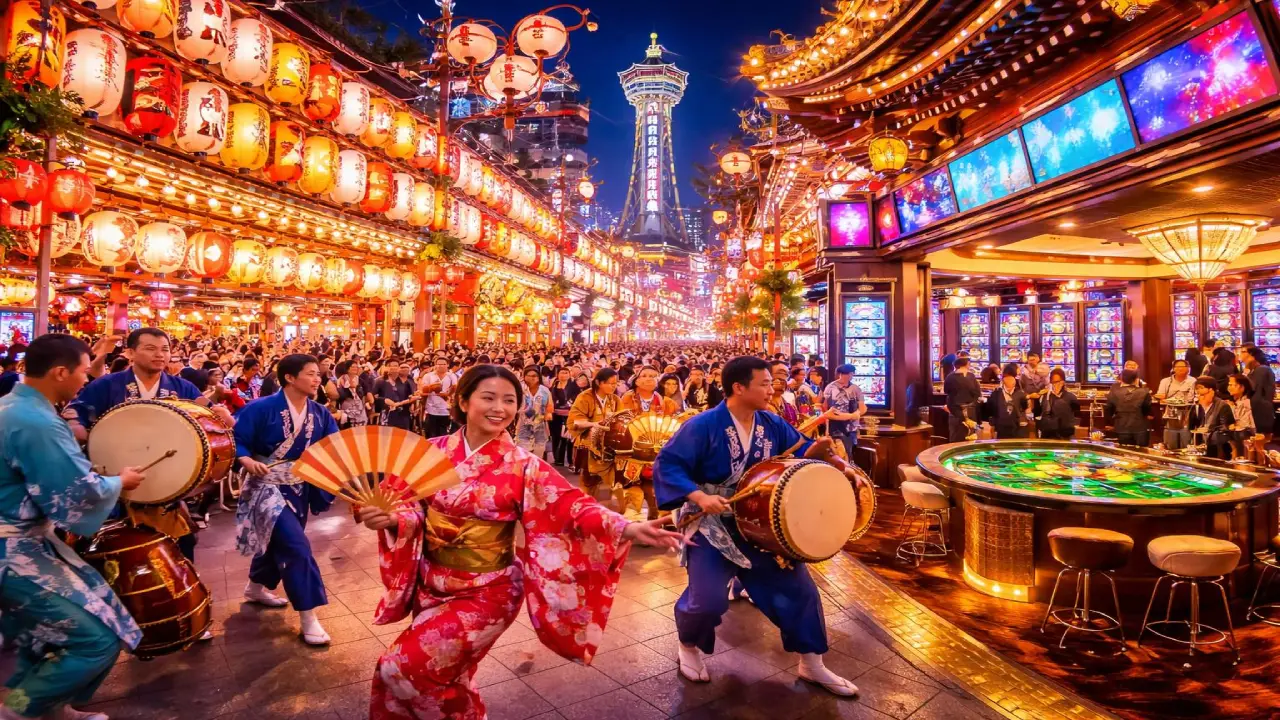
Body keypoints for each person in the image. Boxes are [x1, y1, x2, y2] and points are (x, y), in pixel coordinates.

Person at [355, 364, 682, 719]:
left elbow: (569, 505)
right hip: (432, 583)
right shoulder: (431, 451)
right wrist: (391, 518)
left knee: (399, 667)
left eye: (509, 400)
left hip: (488, 591)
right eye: (489, 398)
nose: (500, 408)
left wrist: (626, 527)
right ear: (463, 401)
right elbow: (407, 505)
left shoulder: (523, 464)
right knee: (450, 672)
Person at [653, 356, 860, 696]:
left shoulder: (770, 423)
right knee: (705, 601)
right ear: (739, 387)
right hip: (712, 526)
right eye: (763, 383)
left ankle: (812, 663)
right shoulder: (702, 425)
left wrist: (833, 459)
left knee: (799, 591)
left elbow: (802, 447)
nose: (771, 388)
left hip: (760, 524)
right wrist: (699, 496)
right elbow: (669, 465)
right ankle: (688, 646)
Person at [0, 334, 147, 720]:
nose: (87, 379)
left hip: (25, 542)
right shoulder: (35, 422)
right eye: (84, 371)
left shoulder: (14, 407)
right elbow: (75, 491)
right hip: (13, 552)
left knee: (43, 639)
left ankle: (50, 708)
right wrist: (119, 481)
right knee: (95, 638)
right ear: (60, 372)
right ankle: (18, 711)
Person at [65, 328, 232, 564]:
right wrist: (75, 426)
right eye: (150, 349)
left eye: (165, 350)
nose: (160, 355)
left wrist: (219, 414)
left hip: (166, 482)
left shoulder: (181, 387)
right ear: (131, 352)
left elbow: (206, 413)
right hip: (118, 482)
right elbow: (75, 412)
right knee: (120, 553)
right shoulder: (107, 385)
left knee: (180, 550)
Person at [233, 354, 339, 646]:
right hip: (265, 487)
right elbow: (237, 438)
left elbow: (333, 445)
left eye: (318, 374)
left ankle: (255, 587)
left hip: (299, 488)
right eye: (311, 374)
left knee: (277, 541)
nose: (318, 379)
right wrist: (244, 458)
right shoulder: (260, 408)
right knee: (296, 547)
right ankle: (309, 616)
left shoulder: (320, 413)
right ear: (290, 378)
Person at [619, 366, 681, 519]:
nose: (649, 378)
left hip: (656, 452)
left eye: (653, 376)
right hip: (631, 452)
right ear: (637, 380)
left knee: (654, 489)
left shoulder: (666, 402)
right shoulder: (626, 398)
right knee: (631, 487)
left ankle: (654, 519)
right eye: (645, 375)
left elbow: (672, 425)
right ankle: (630, 522)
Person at [567, 368, 623, 503]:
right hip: (588, 445)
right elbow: (575, 421)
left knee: (608, 482)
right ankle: (587, 510)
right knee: (589, 481)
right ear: (598, 382)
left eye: (615, 383)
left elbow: (622, 419)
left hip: (609, 448)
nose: (613, 386)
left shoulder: (615, 399)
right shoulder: (585, 397)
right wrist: (594, 424)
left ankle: (603, 510)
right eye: (610, 383)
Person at [822, 364, 867, 458]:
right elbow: (825, 407)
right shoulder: (830, 387)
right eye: (850, 374)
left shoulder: (856, 388)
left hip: (852, 427)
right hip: (835, 426)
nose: (851, 376)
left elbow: (862, 407)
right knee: (839, 452)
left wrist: (856, 414)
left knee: (850, 452)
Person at [1154, 359, 1197, 449]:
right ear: (1173, 369)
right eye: (1177, 367)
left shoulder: (1193, 381)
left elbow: (1194, 397)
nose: (1180, 369)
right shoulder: (1165, 381)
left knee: (1186, 444)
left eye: (1183, 367)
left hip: (1187, 415)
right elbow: (1160, 396)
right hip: (1170, 415)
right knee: (1170, 445)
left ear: (1188, 369)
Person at [1106, 369, 1151, 447]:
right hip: (1140, 427)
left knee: (1125, 453)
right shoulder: (1145, 392)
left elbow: (1109, 409)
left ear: (1121, 379)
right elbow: (1146, 409)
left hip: (1121, 426)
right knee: (1142, 454)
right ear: (1136, 379)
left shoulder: (1114, 392)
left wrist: (1109, 423)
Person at [1244, 347, 1276, 458]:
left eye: (1244, 353)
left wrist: (1245, 376)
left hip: (1260, 410)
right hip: (1262, 408)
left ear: (1253, 356)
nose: (1241, 357)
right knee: (1258, 444)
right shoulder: (1261, 369)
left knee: (1260, 444)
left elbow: (1252, 388)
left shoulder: (1261, 369)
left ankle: (1265, 468)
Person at [514, 366, 552, 457]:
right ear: (524, 376)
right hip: (523, 424)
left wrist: (548, 414)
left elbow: (550, 406)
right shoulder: (520, 389)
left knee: (538, 453)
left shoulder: (544, 390)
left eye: (535, 375)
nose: (532, 378)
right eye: (529, 375)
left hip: (540, 424)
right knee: (523, 454)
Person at [1189, 376, 1232, 458]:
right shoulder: (1197, 405)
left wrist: (1209, 429)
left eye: (1201, 388)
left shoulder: (1222, 405)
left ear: (1211, 390)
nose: (1198, 391)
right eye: (1196, 389)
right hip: (1201, 445)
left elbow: (1226, 428)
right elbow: (1192, 425)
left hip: (1218, 446)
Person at [943, 357, 982, 442]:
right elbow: (977, 393)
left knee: (955, 435)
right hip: (969, 410)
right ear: (967, 364)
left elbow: (946, 391)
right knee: (970, 435)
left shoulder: (949, 377)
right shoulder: (971, 376)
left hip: (953, 410)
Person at [1039, 368, 1079, 440]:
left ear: (1063, 382)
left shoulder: (1071, 397)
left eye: (1057, 382)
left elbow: (1076, 416)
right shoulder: (1046, 396)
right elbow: (1040, 414)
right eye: (1053, 382)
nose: (1055, 385)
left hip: (1065, 436)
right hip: (1048, 436)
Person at [548, 366, 577, 466]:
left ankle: (571, 461)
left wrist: (568, 405)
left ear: (569, 375)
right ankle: (558, 459)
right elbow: (550, 398)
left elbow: (576, 397)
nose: (563, 375)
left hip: (569, 414)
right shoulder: (554, 385)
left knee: (568, 438)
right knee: (556, 436)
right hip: (556, 414)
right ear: (557, 374)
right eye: (561, 372)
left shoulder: (573, 386)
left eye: (566, 372)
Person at [985, 372, 1028, 439]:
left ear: (1014, 385)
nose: (1009, 389)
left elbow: (1024, 407)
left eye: (1011, 387)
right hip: (1000, 425)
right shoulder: (996, 394)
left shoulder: (1020, 394)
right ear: (1003, 384)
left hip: (1016, 425)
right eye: (1007, 387)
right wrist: (992, 424)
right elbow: (991, 410)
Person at [420, 356, 455, 438]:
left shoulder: (451, 376)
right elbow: (423, 390)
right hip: (431, 410)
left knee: (444, 436)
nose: (441, 366)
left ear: (448, 365)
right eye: (439, 364)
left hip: (446, 411)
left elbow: (455, 389)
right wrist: (432, 387)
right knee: (431, 436)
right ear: (435, 365)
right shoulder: (428, 376)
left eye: (443, 364)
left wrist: (448, 394)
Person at [376, 361, 417, 430]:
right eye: (392, 366)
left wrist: (412, 403)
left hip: (403, 414)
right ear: (386, 368)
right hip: (387, 413)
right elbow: (374, 398)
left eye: (396, 366)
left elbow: (409, 396)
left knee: (403, 436)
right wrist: (384, 400)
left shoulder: (406, 381)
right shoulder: (380, 381)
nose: (394, 368)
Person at [1226, 373, 1256, 462]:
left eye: (1232, 385)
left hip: (1248, 432)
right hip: (1240, 431)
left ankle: (1239, 459)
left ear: (1242, 387)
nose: (1229, 387)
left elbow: (1244, 424)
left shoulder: (1247, 402)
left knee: (1237, 432)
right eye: (1229, 384)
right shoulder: (1236, 401)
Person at [334, 360, 369, 428]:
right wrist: (349, 387)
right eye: (352, 367)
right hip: (347, 405)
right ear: (347, 369)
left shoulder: (359, 380)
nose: (355, 369)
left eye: (356, 367)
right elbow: (341, 395)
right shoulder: (341, 380)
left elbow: (365, 392)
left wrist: (357, 388)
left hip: (359, 405)